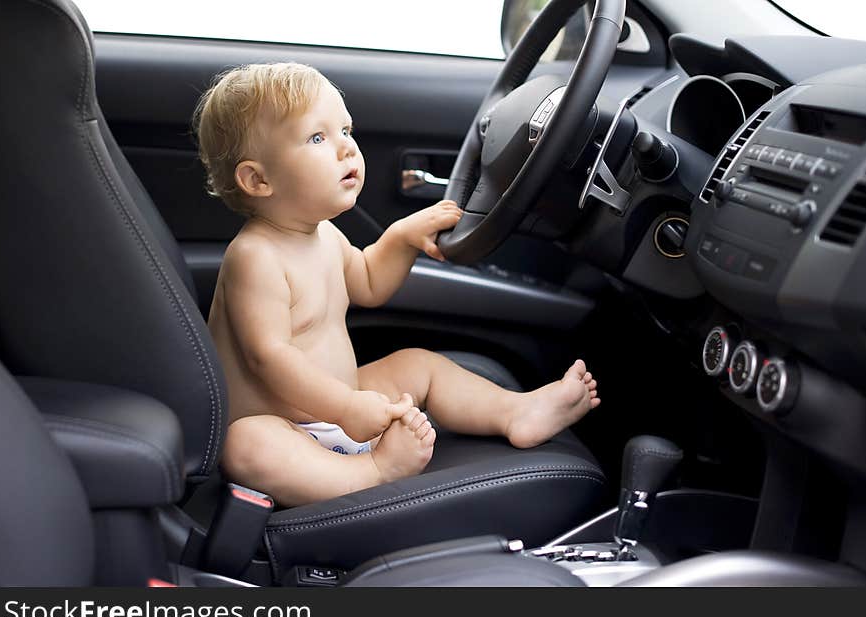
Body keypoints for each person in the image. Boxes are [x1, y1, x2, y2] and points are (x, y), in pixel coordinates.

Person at [194, 62, 600, 507]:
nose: (347, 149)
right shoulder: (254, 257)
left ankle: (515, 412)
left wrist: (401, 238)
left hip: (340, 408)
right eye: (317, 138)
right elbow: (269, 358)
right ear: (258, 179)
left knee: (418, 364)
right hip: (286, 426)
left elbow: (368, 282)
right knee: (247, 445)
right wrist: (345, 409)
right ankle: (369, 472)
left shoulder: (323, 233)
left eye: (345, 130)